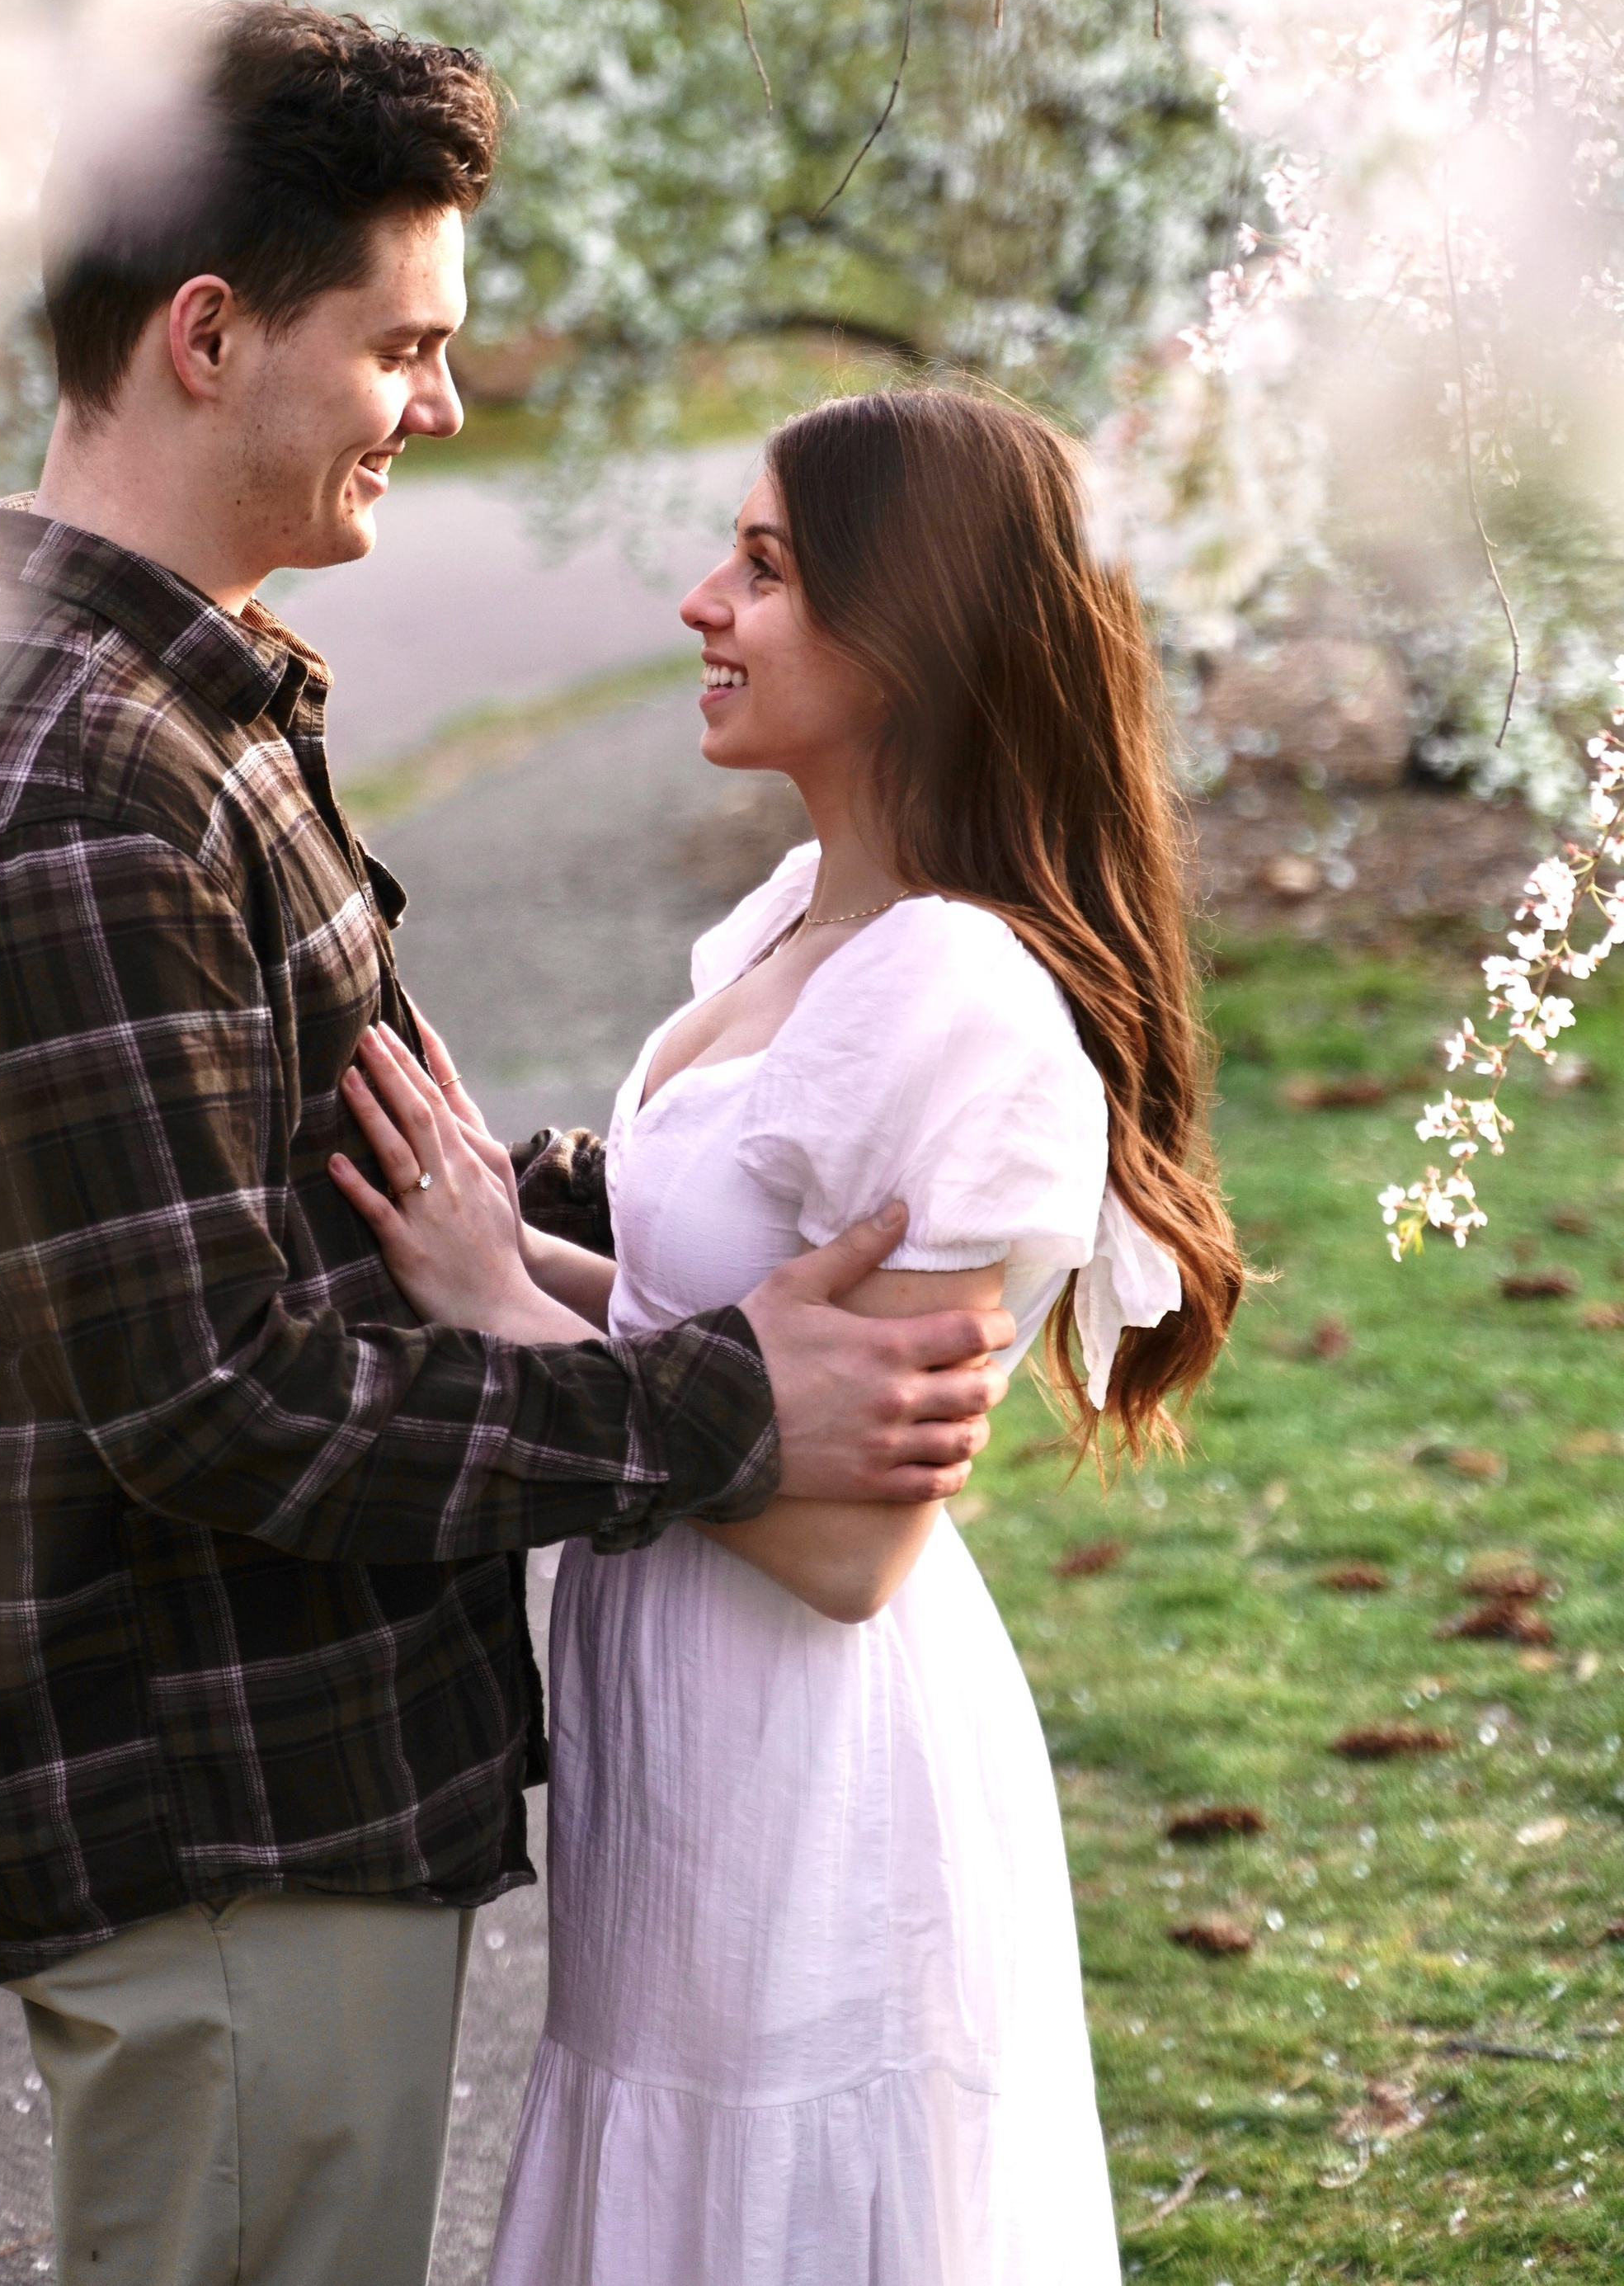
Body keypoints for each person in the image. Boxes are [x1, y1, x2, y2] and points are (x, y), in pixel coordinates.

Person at [0, 4, 1019, 2286]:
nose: (446, 403)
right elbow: (211, 1387)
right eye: (404, 346)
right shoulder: (77, 779)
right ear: (207, 337)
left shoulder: (187, 702)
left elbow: (355, 1178)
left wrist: (650, 1205)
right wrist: (731, 1400)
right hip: (218, 1822)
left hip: (285, 1804)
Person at [332, 382, 1250, 2286]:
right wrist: (510, 1250)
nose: (697, 604)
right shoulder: (791, 927)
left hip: (814, 1757)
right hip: (679, 1726)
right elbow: (718, 1343)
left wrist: (503, 1306)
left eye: (762, 568)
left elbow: (846, 1540)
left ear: (903, 629)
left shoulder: (954, 1000)